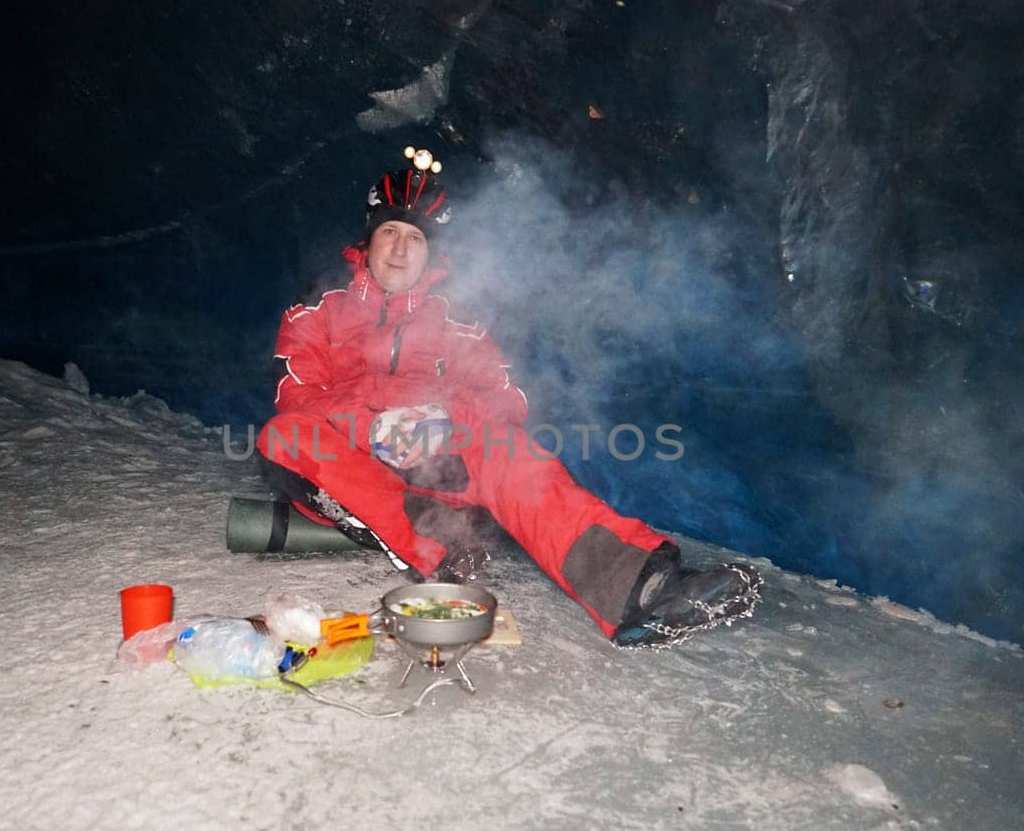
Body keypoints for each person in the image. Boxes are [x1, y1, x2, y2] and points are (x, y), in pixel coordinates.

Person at [255, 148, 760, 647]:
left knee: (509, 451)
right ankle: (434, 545)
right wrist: (372, 427)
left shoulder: (460, 322)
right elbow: (296, 394)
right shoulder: (317, 310)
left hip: (437, 468)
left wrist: (442, 419)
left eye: (415, 238)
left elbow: (508, 398)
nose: (400, 249)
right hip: (353, 471)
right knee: (286, 436)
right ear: (367, 239)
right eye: (390, 231)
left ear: (433, 253)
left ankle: (644, 587)